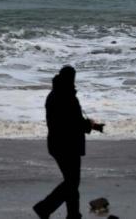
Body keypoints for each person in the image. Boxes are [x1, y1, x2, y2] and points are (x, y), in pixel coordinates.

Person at [33, 65, 104, 219]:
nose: (74, 81)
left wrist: (91, 125)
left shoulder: (55, 94)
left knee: (71, 182)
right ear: (70, 78)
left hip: (57, 144)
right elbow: (73, 122)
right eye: (73, 78)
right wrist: (92, 125)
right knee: (72, 182)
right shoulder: (66, 96)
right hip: (67, 145)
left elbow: (69, 121)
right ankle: (44, 208)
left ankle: (72, 214)